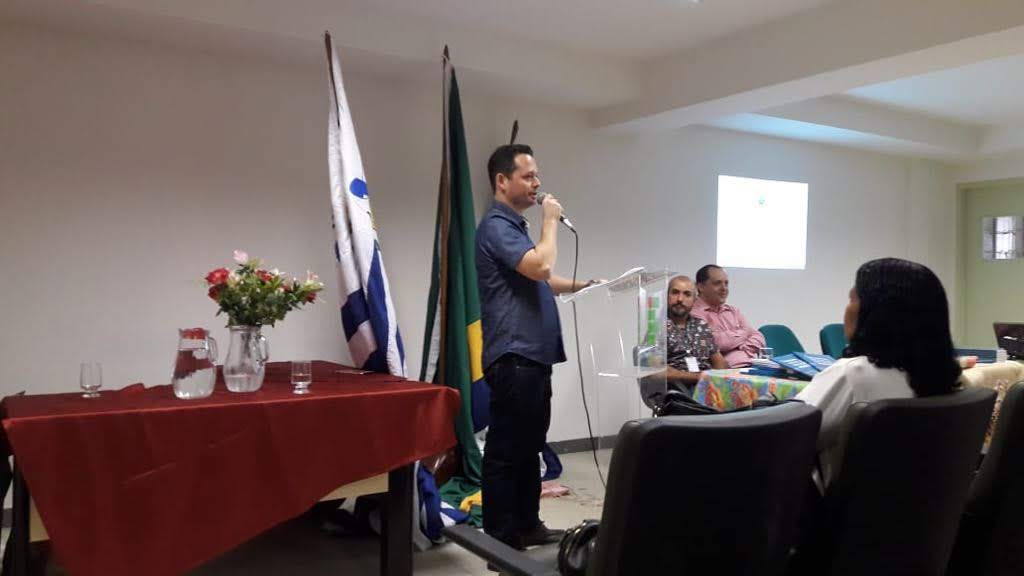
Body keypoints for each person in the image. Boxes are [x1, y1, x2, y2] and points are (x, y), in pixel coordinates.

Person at [476, 144, 593, 550]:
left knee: (529, 448)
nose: (537, 183)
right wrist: (550, 221)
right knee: (506, 451)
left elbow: (540, 277)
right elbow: (540, 266)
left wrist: (585, 285)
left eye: (537, 175)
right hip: (514, 356)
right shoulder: (496, 225)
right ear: (501, 181)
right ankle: (500, 538)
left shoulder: (514, 228)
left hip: (533, 357)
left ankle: (527, 524)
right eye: (528, 176)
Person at [795, 257, 961, 486]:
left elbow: (785, 437)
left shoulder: (853, 375)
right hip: (925, 505)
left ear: (875, 313)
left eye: (852, 298)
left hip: (840, 507)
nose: (847, 308)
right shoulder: (948, 378)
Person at [661, 275, 727, 396]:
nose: (680, 299)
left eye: (687, 294)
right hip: (678, 390)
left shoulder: (701, 325)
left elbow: (719, 362)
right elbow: (656, 371)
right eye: (675, 292)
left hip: (708, 386)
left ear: (694, 300)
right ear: (667, 296)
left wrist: (720, 382)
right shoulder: (657, 328)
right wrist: (697, 377)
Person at [691, 264, 766, 367]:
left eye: (726, 283)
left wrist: (744, 348)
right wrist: (745, 333)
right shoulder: (694, 313)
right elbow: (716, 343)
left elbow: (758, 336)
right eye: (717, 283)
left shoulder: (734, 311)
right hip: (724, 371)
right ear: (700, 287)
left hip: (752, 366)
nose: (724, 288)